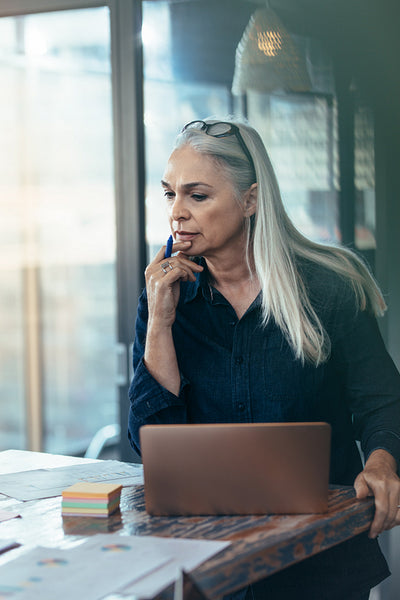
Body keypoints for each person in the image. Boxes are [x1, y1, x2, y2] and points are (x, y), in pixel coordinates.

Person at [128, 118, 400, 599]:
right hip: (209, 562)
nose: (177, 213)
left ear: (250, 200)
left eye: (198, 195)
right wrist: (159, 324)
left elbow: (382, 401)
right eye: (170, 194)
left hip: (318, 562)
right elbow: (151, 445)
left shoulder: (330, 288)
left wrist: (381, 462)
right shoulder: (165, 297)